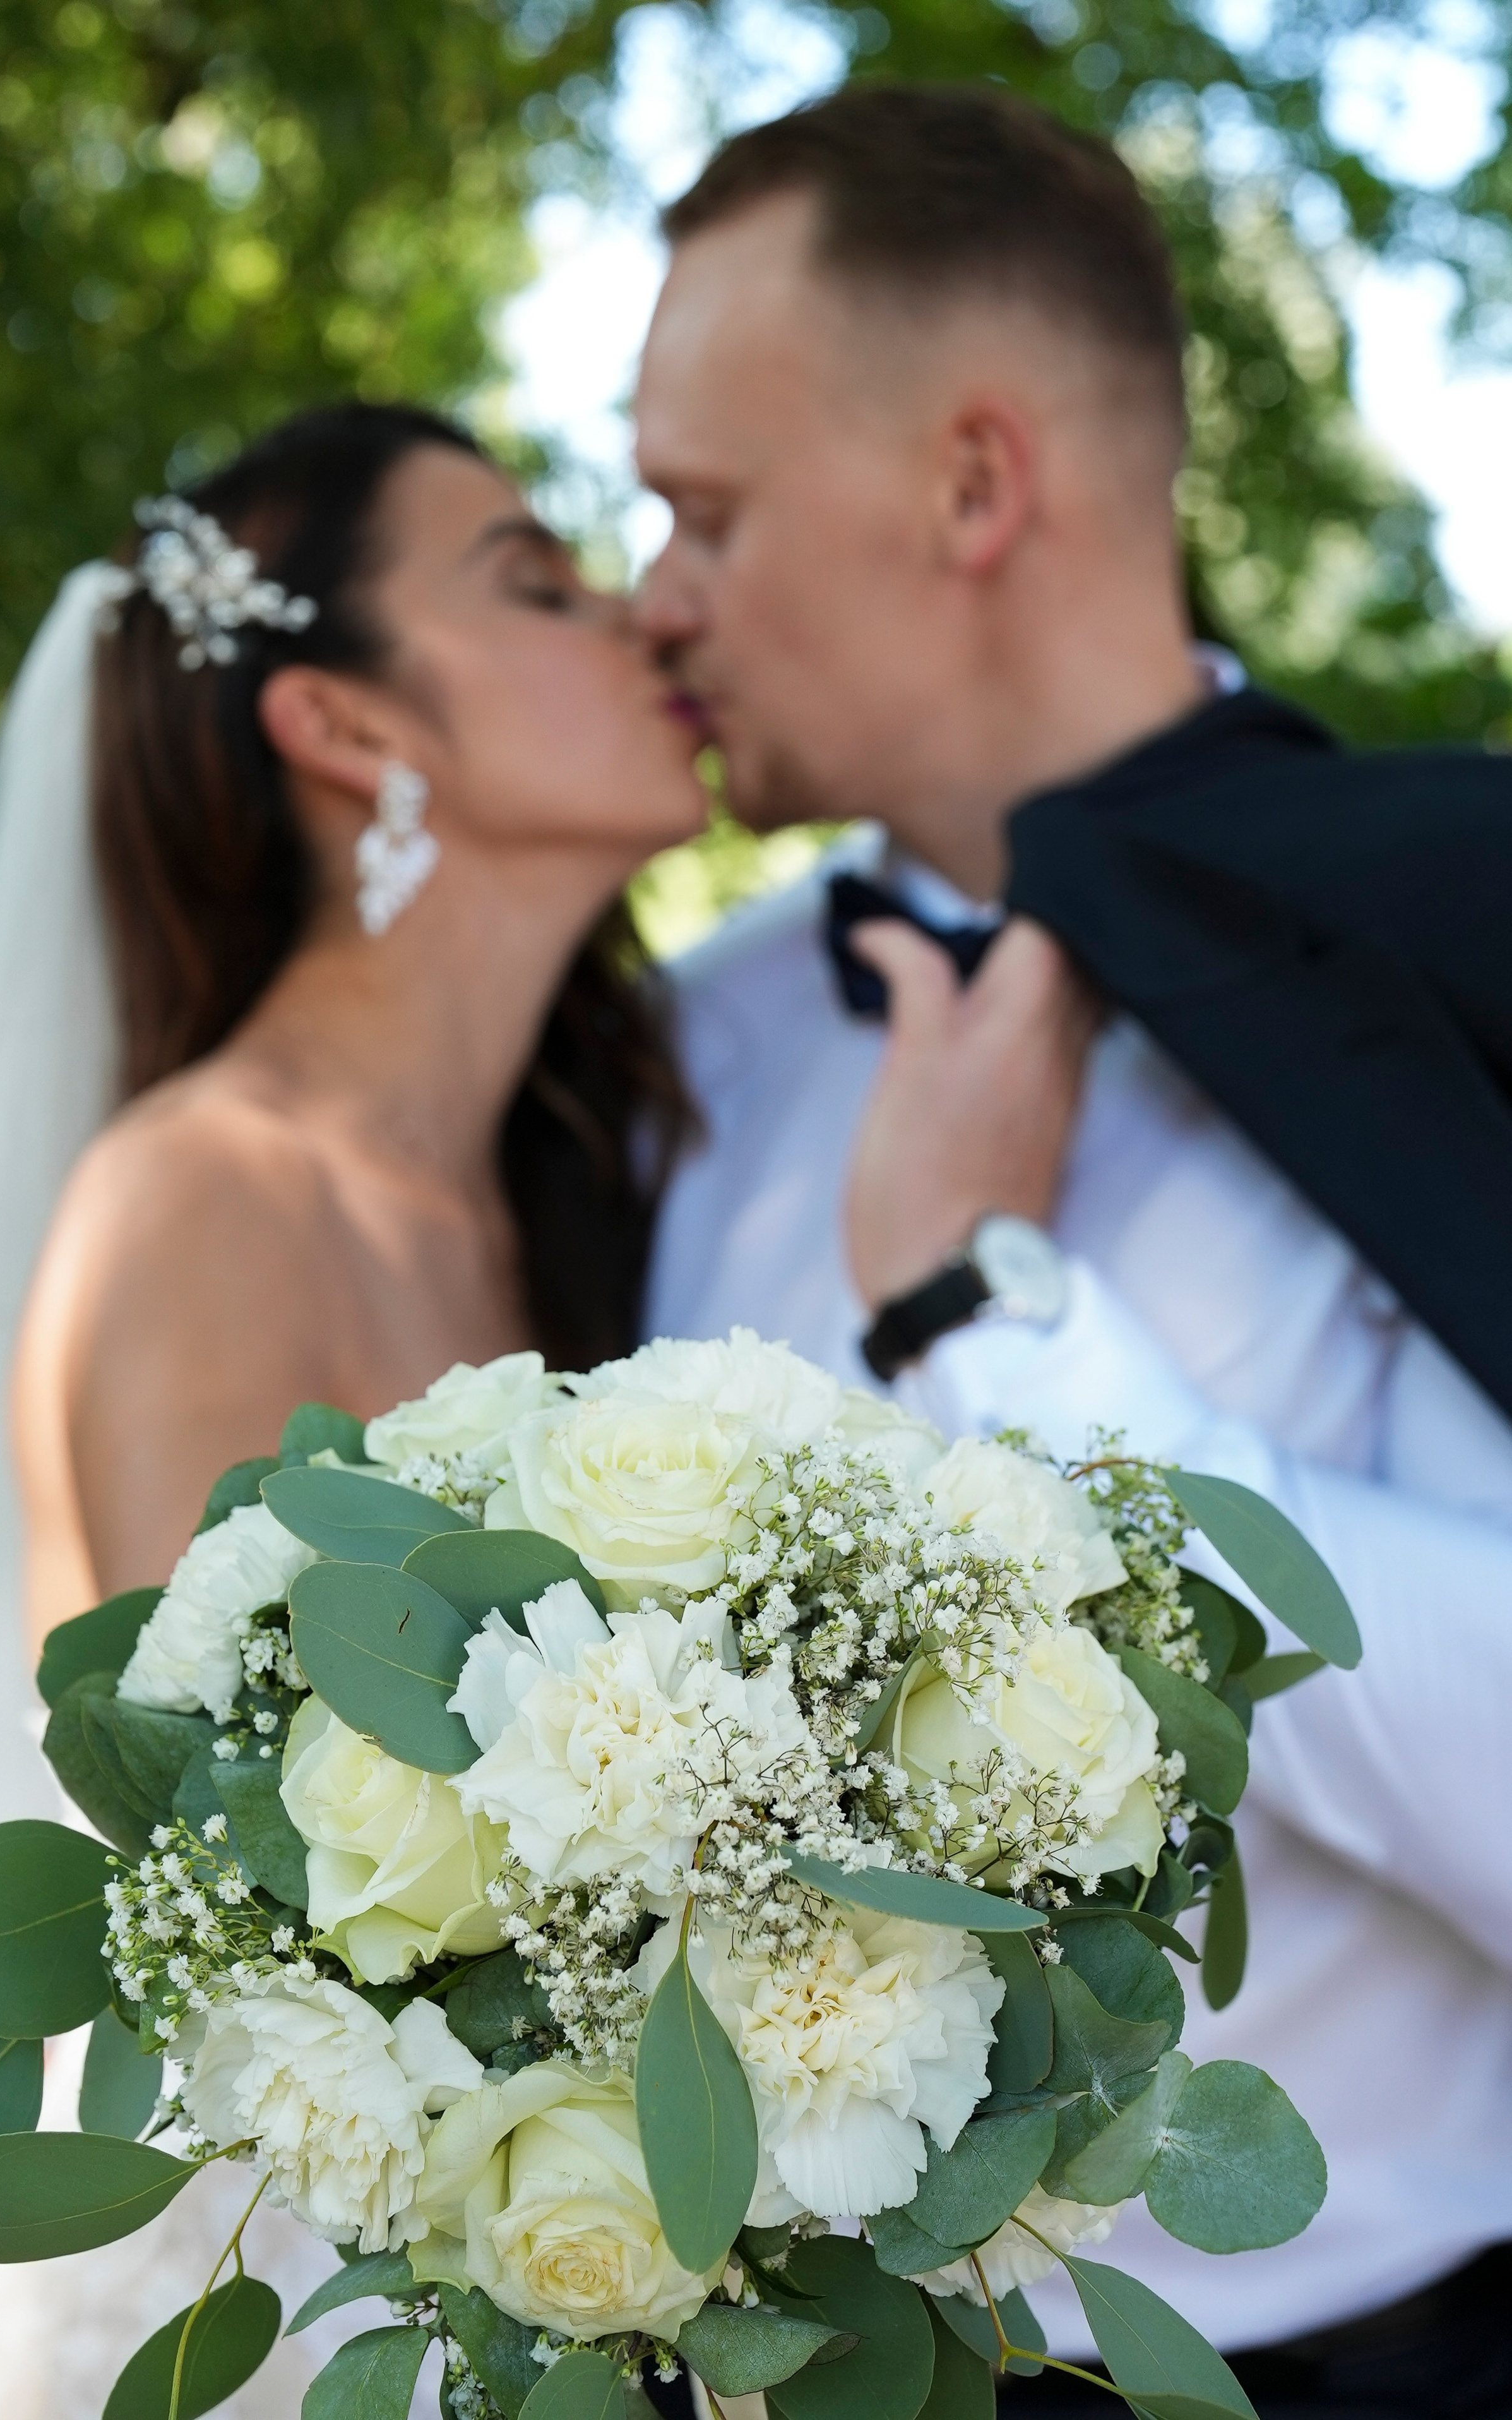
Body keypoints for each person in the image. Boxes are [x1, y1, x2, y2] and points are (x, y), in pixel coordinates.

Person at [634, 83, 1512, 2416]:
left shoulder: (1458, 961)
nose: (649, 595)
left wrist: (985, 1324)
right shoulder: (691, 1048)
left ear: (973, 482)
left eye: (699, 510)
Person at [0, 399, 705, 2414]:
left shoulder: (561, 1200)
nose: (641, 617)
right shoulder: (206, 1202)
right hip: (255, 2328)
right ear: (347, 728)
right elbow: (291, 1905)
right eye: (537, 580)